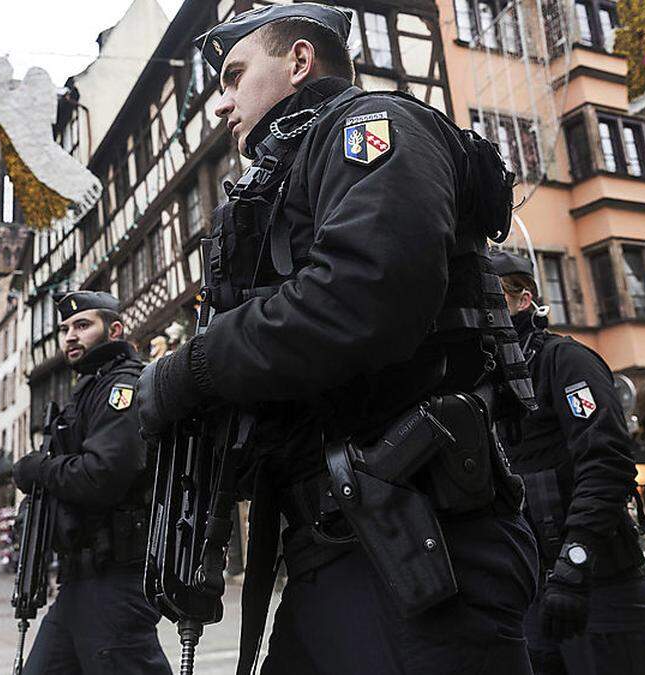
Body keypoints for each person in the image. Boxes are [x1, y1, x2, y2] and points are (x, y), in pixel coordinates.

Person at [136, 5, 540, 672]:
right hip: (337, 550)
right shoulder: (285, 177)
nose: (221, 104)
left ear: (298, 61)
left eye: (234, 77)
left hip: (423, 543)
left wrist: (194, 369)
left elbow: (364, 293)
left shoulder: (371, 126)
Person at [489, 250, 645, 674]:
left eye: (492, 299)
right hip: (529, 591)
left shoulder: (565, 361)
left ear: (523, 299)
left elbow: (606, 461)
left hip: (599, 584)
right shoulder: (488, 376)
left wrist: (576, 559)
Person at [13, 290, 171, 674]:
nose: (70, 336)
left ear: (114, 330)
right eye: (65, 328)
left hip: (114, 579)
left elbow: (101, 475)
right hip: (78, 580)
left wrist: (38, 470)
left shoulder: (122, 388)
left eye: (83, 325)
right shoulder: (88, 390)